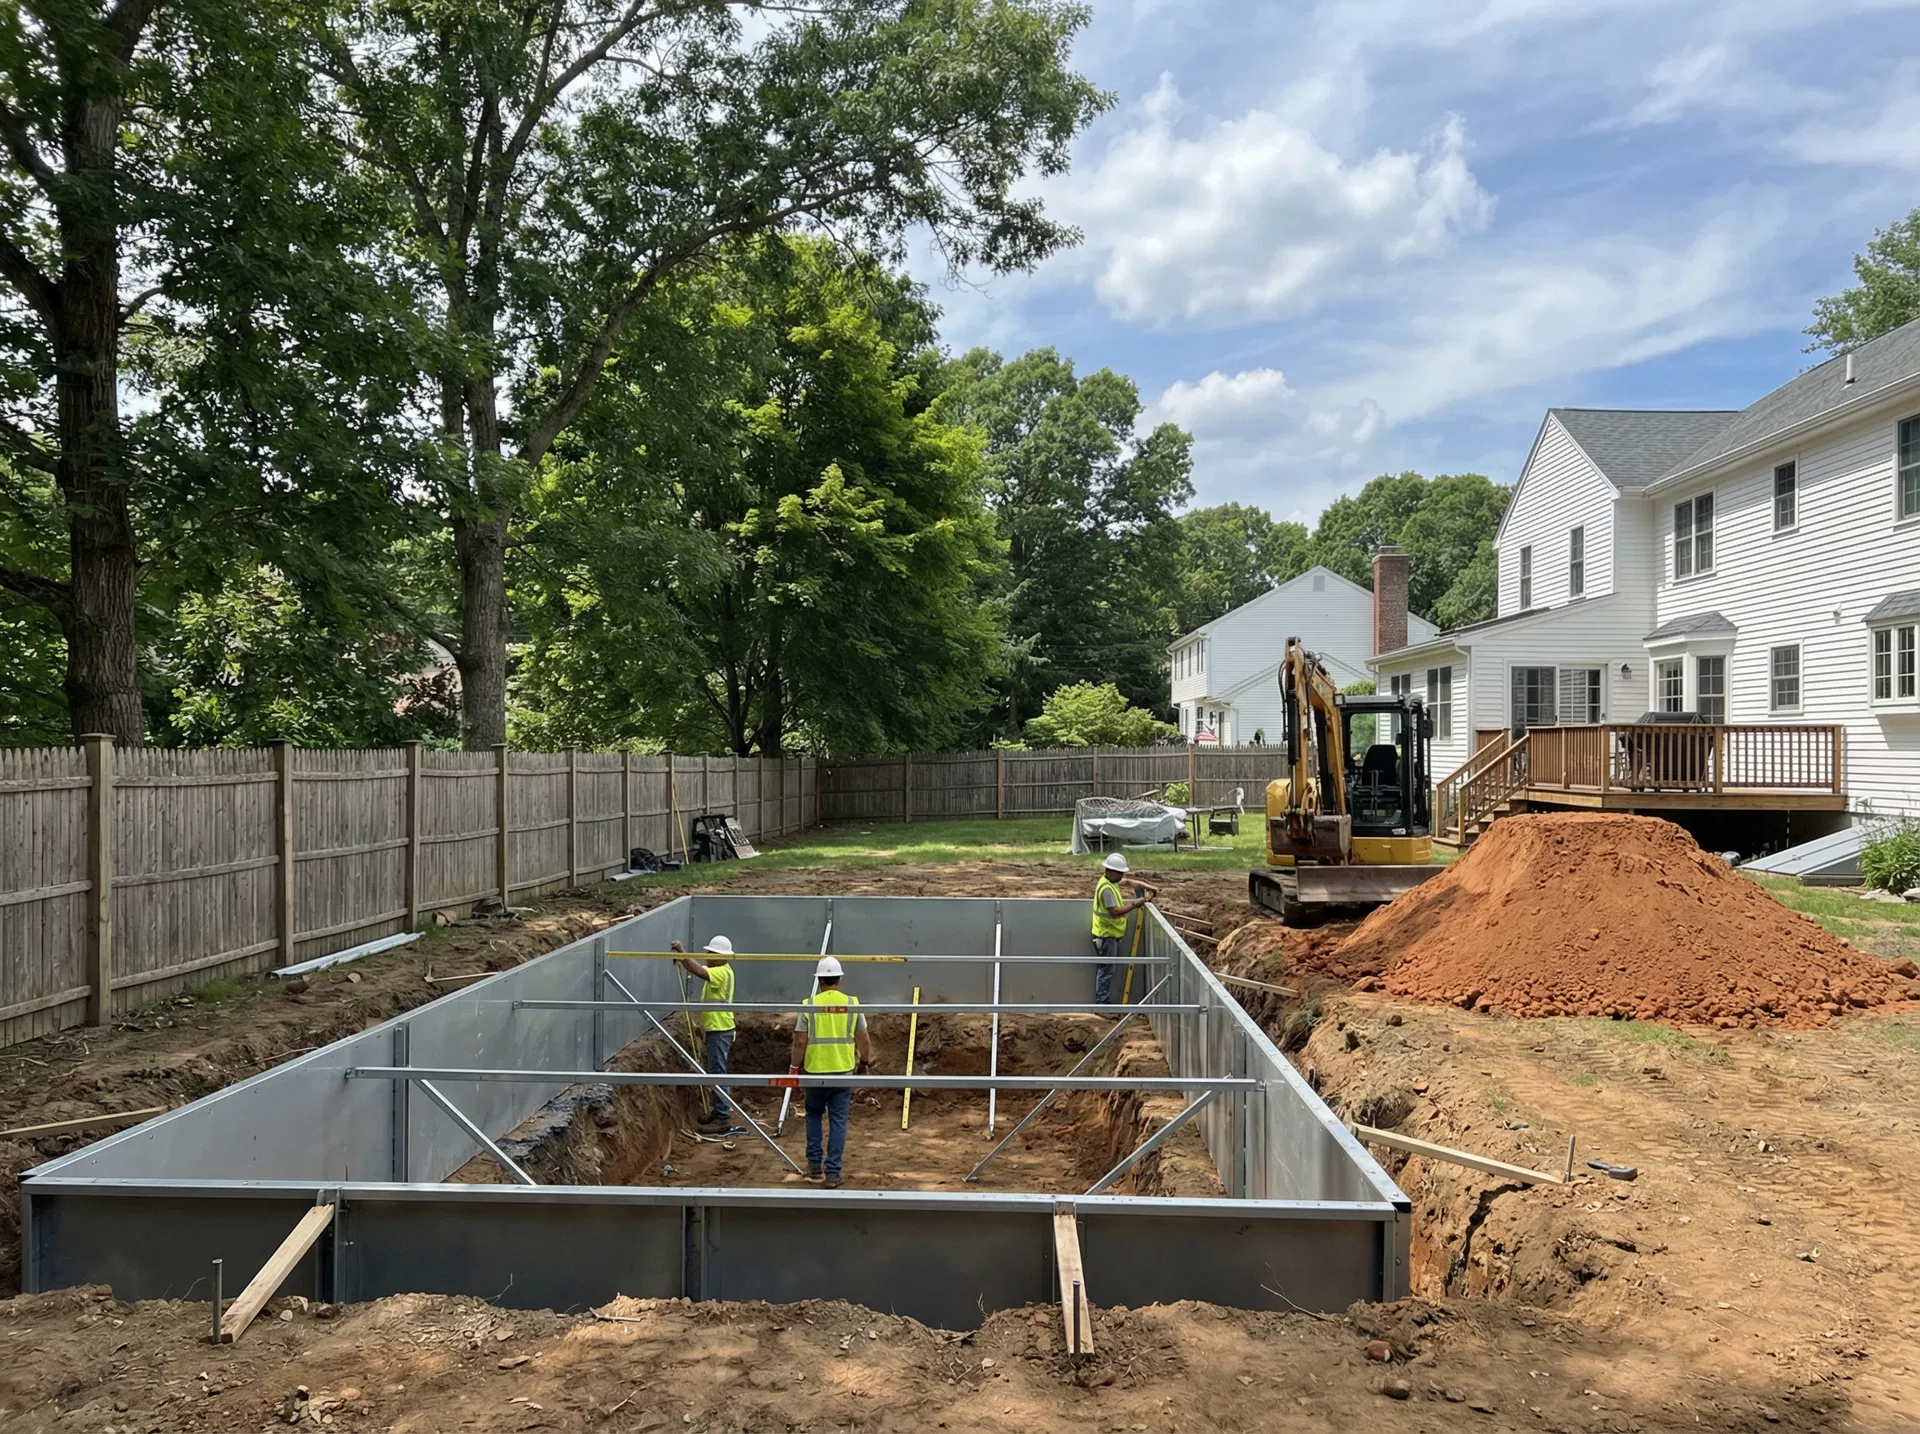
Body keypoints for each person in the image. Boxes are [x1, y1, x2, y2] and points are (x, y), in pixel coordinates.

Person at [788, 955, 871, 1188]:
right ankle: (833, 1173)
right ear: (839, 979)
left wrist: (794, 1068)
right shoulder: (852, 1003)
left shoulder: (808, 1006)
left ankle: (815, 1168)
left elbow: (799, 1042)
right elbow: (864, 1038)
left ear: (819, 980)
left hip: (814, 1072)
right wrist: (864, 1063)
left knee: (813, 1116)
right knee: (838, 1121)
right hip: (843, 1073)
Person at [670, 936, 737, 1132]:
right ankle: (719, 1112)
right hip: (717, 1027)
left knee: (718, 1072)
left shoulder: (721, 972)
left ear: (719, 956)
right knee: (716, 1070)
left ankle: (723, 1117)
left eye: (710, 953)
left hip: (720, 1028)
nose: (707, 956)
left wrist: (683, 954)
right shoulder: (722, 970)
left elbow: (698, 971)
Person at [1091, 852, 1158, 1005]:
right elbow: (1114, 912)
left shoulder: (1109, 881)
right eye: (1119, 873)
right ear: (1110, 871)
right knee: (1106, 972)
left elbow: (1128, 882)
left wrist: (1148, 886)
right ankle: (1102, 1006)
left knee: (1107, 971)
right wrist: (1136, 904)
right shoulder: (1107, 889)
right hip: (1106, 936)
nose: (1122, 876)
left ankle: (1103, 1005)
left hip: (1108, 935)